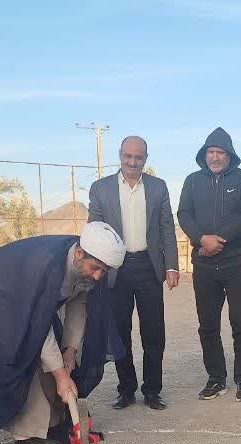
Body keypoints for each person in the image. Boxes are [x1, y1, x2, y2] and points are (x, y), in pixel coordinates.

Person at [0, 222, 125, 444]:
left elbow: (78, 305)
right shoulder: (47, 267)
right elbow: (38, 330)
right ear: (79, 254)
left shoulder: (88, 264)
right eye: (96, 269)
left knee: (58, 357)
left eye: (105, 271)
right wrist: (61, 375)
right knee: (25, 352)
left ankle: (52, 423)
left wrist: (70, 351)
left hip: (29, 301)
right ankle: (26, 434)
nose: (98, 276)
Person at [87, 136, 179, 411]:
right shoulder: (100, 189)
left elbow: (167, 229)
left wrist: (172, 266)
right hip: (116, 269)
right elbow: (95, 231)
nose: (132, 162)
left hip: (149, 268)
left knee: (154, 333)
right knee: (120, 333)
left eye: (138, 158)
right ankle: (126, 390)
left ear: (145, 159)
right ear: (120, 155)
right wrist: (97, 268)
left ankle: (153, 391)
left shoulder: (158, 187)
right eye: (128, 156)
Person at [176, 128, 241, 402]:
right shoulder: (192, 181)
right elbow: (184, 214)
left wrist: (218, 239)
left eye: (220, 152)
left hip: (237, 262)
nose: (215, 157)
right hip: (205, 265)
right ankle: (216, 379)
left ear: (229, 155)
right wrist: (202, 239)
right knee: (208, 325)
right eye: (210, 152)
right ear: (204, 154)